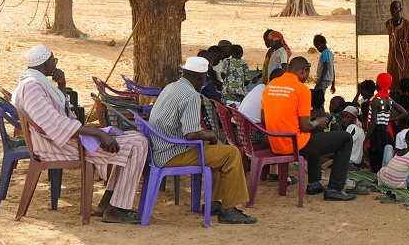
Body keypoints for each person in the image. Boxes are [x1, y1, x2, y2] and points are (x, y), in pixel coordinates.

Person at [12, 45, 147, 224]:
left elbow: (57, 112)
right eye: (54, 60)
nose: (55, 63)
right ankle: (117, 209)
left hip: (61, 140)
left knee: (131, 139)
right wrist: (97, 133)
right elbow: (56, 124)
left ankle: (108, 204)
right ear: (46, 63)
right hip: (57, 146)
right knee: (138, 143)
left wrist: (62, 85)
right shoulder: (31, 87)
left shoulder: (34, 81)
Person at [148, 56, 256, 224]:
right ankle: (229, 210)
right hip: (173, 152)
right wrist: (212, 135)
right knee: (232, 154)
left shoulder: (171, 87)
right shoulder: (191, 95)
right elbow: (191, 134)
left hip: (161, 147)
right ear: (202, 77)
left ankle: (214, 202)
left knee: (220, 151)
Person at [261, 57, 357, 201]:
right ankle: (335, 189)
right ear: (303, 71)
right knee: (346, 139)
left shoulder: (271, 86)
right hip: (295, 144)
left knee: (316, 132)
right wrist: (317, 121)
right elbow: (305, 126)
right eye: (307, 74)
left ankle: (314, 183)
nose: (306, 78)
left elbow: (263, 119)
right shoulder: (302, 90)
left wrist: (314, 125)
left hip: (275, 142)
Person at [364, 72, 409, 172]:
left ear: (377, 85)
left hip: (376, 133)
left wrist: (366, 139)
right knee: (384, 159)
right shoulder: (389, 100)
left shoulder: (376, 101)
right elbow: (404, 113)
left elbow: (372, 123)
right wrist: (388, 120)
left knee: (376, 164)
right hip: (385, 132)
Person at [239, 68, 284, 146]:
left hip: (239, 132)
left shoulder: (260, 87)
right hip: (250, 136)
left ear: (268, 79)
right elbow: (266, 122)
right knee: (284, 139)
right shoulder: (271, 94)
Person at [385, 0, 409, 84]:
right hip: (392, 58)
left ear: (400, 9)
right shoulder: (388, 24)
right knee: (392, 77)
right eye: (391, 9)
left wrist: (402, 46)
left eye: (395, 8)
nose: (393, 10)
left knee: (405, 77)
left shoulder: (407, 24)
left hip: (403, 57)